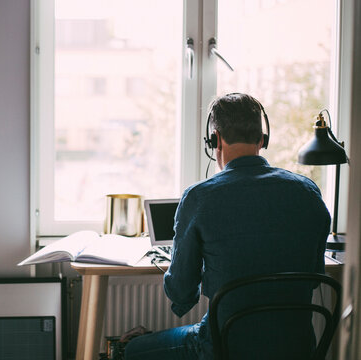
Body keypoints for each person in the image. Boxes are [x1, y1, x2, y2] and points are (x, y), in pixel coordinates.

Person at [124, 93, 331, 360]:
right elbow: (314, 277)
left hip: (224, 347)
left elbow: (180, 292)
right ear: (262, 139)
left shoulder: (199, 197)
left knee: (132, 349)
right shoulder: (308, 192)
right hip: (297, 348)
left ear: (215, 139)